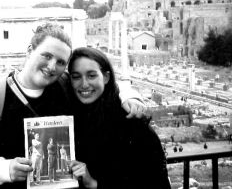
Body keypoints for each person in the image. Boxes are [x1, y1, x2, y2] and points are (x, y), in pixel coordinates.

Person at [0, 23, 146, 189]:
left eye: (60, 62)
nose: (52, 67)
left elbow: (101, 87)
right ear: (30, 50)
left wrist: (130, 96)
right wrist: (5, 169)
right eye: (47, 56)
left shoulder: (65, 86)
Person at [67, 47, 170, 189]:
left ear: (106, 77)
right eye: (76, 77)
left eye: (91, 76)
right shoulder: (72, 115)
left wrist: (95, 184)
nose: (84, 84)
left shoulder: (130, 119)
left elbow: (153, 180)